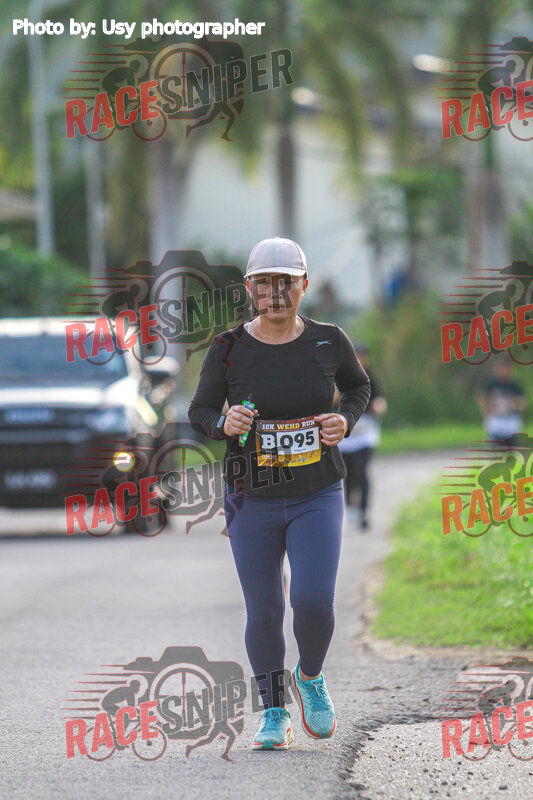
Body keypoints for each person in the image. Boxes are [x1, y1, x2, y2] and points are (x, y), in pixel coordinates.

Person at [188, 237, 371, 751]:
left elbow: (359, 388)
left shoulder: (329, 340)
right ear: (250, 288)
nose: (275, 293)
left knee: (312, 601)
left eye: (286, 282)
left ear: (303, 285)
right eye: (264, 283)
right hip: (251, 498)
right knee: (265, 610)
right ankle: (273, 712)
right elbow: (199, 412)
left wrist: (345, 419)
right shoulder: (227, 348)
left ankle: (309, 676)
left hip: (317, 491)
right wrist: (224, 423)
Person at [337, 344, 386, 529]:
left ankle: (364, 511)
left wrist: (379, 406)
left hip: (365, 435)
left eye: (361, 356)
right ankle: (350, 505)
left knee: (361, 471)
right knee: (347, 473)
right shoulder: (339, 376)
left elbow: (379, 399)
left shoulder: (369, 378)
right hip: (345, 437)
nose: (359, 360)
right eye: (355, 356)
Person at [477, 358, 526, 445]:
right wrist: (486, 411)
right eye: (501, 368)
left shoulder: (515, 385)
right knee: (496, 445)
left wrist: (514, 403)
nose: (503, 371)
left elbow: (522, 403)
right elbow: (483, 399)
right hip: (496, 420)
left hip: (510, 420)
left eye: (506, 368)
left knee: (512, 445)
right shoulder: (491, 384)